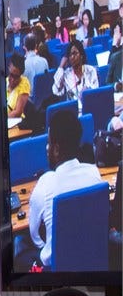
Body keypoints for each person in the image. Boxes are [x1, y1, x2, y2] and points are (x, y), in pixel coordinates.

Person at [26, 107, 108, 269]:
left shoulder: (45, 184)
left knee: (19, 245)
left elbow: (35, 237)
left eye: (49, 142)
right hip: (93, 262)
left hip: (56, 272)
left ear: (56, 149)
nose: (47, 148)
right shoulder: (93, 173)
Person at [51, 38, 98, 107]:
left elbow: (95, 92)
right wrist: (61, 66)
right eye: (70, 55)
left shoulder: (90, 70)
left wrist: (87, 92)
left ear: (81, 55)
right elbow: (55, 91)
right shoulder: (66, 74)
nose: (72, 57)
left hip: (89, 107)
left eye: (75, 53)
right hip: (73, 110)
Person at [5, 53, 31, 119]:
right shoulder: (5, 81)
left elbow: (18, 112)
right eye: (11, 75)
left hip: (14, 121)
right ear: (8, 69)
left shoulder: (24, 83)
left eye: (16, 77)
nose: (13, 80)